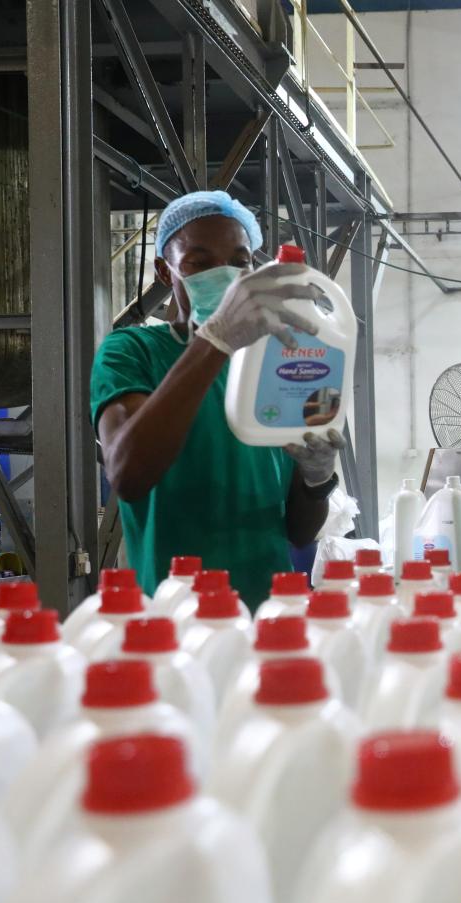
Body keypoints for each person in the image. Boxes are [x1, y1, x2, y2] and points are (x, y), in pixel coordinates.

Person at [90, 190, 345, 610]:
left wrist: (316, 480)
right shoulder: (131, 351)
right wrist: (216, 341)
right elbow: (128, 472)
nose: (225, 276)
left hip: (267, 613)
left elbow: (299, 533)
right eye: (200, 262)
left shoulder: (272, 361)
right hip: (174, 615)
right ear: (163, 271)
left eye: (240, 262)